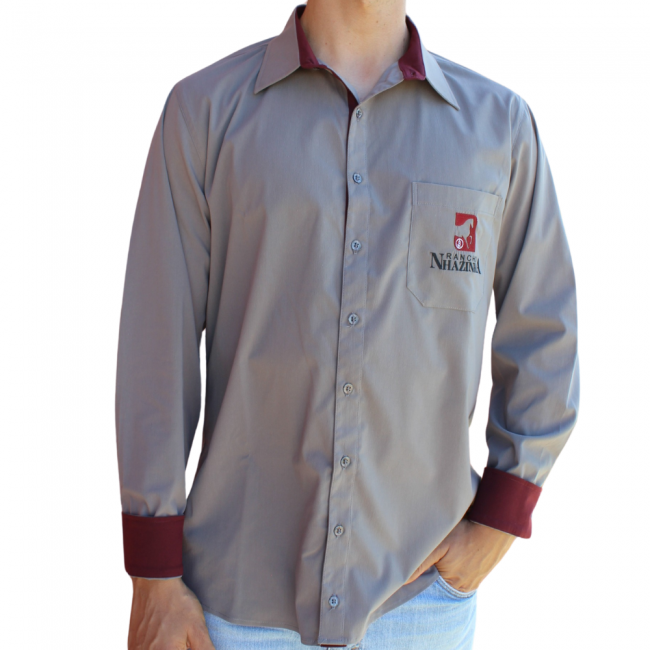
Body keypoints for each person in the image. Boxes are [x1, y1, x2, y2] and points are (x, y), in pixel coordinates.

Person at [115, 1, 579, 648]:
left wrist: (499, 522)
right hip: (234, 610)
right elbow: (155, 346)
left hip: (421, 604)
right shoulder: (204, 112)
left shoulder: (499, 127)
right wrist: (154, 577)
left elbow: (546, 337)